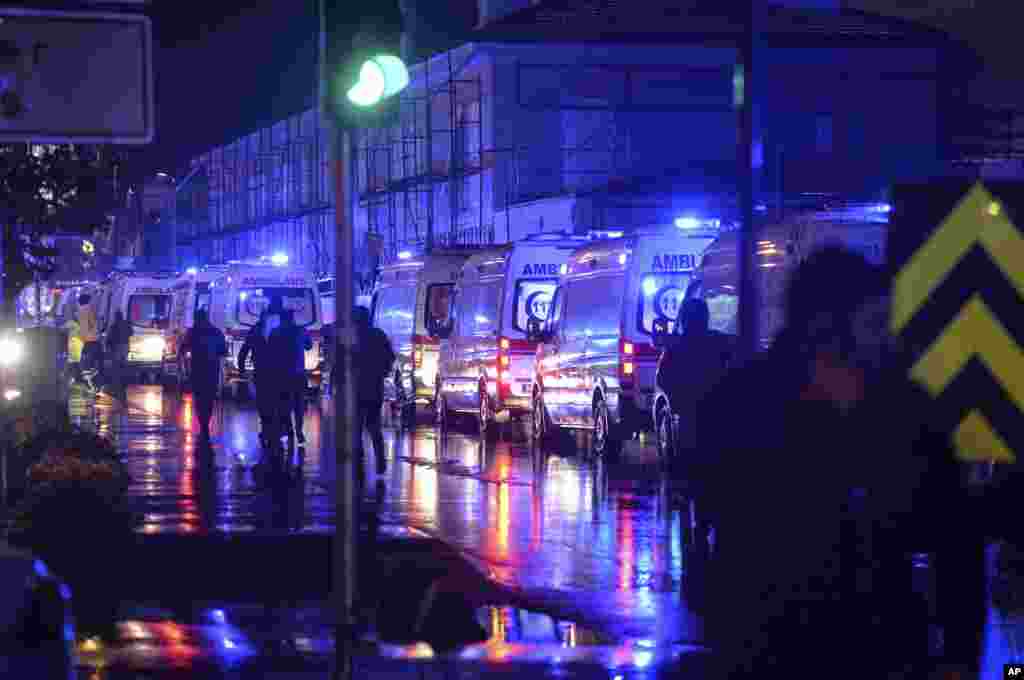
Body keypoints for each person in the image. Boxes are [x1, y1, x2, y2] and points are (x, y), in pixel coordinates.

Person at [695, 246, 961, 678]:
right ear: (828, 326)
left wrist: (957, 654)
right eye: (873, 324)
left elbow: (952, 535)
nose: (885, 337)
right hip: (774, 647)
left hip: (879, 648)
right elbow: (724, 516)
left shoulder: (905, 408)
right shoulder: (747, 403)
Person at [655, 297, 733, 559]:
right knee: (717, 469)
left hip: (691, 417)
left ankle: (698, 519)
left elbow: (663, 378)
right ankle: (716, 518)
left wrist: (679, 398)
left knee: (691, 469)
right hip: (720, 417)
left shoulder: (677, 346)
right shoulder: (721, 343)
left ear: (685, 319)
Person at [353, 306, 395, 475]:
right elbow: (390, 358)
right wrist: (382, 371)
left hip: (355, 388)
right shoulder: (378, 335)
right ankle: (380, 462)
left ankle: (358, 461)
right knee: (373, 425)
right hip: (374, 387)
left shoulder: (352, 337)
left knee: (356, 426)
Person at [181, 308, 227, 442]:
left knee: (200, 398)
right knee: (209, 398)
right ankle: (205, 423)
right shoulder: (216, 332)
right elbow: (223, 351)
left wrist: (184, 369)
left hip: (197, 370)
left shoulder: (193, 332)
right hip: (212, 370)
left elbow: (183, 349)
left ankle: (204, 425)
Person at [267, 308, 312, 444]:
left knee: (284, 404)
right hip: (298, 374)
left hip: (282, 375)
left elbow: (270, 351)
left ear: (281, 319)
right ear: (292, 318)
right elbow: (309, 346)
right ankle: (299, 431)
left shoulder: (275, 332)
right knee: (299, 405)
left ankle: (288, 430)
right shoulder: (300, 331)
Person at [238, 310, 274, 447]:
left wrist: (242, 369)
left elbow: (244, 351)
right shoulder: (274, 330)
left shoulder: (254, 330)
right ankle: (269, 427)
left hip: (261, 370)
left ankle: (266, 426)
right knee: (268, 400)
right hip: (272, 370)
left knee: (262, 400)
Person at [106, 310, 133, 397]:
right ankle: (124, 380)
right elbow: (131, 333)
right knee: (124, 362)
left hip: (117, 346)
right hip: (125, 346)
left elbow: (110, 337)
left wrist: (108, 346)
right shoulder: (126, 324)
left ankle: (118, 382)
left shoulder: (114, 326)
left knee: (117, 364)